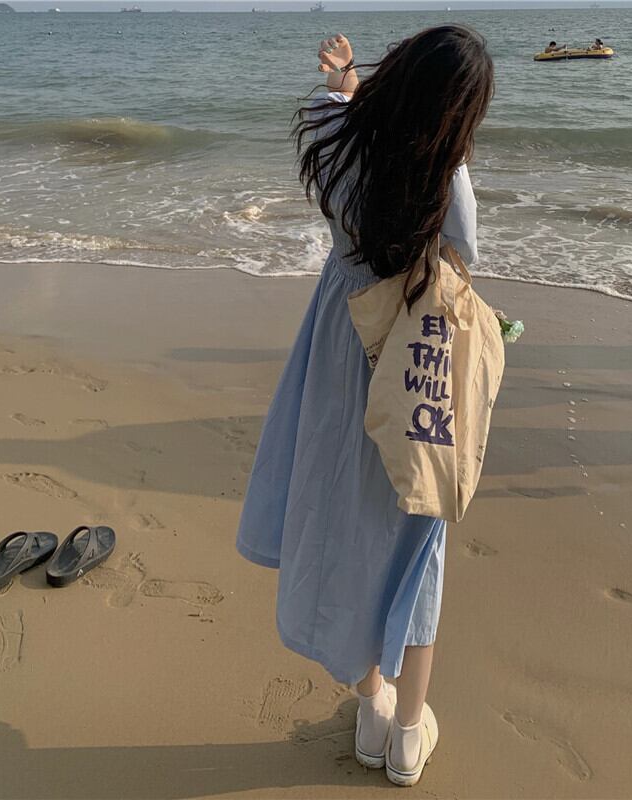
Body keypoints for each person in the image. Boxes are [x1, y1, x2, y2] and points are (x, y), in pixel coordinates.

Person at [235, 26, 493, 787]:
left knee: (343, 521)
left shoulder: (336, 139)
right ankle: (408, 734)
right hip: (411, 359)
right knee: (417, 539)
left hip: (339, 346)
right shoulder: (443, 172)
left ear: (397, 74)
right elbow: (463, 252)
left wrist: (344, 82)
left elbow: (333, 108)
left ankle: (371, 703)